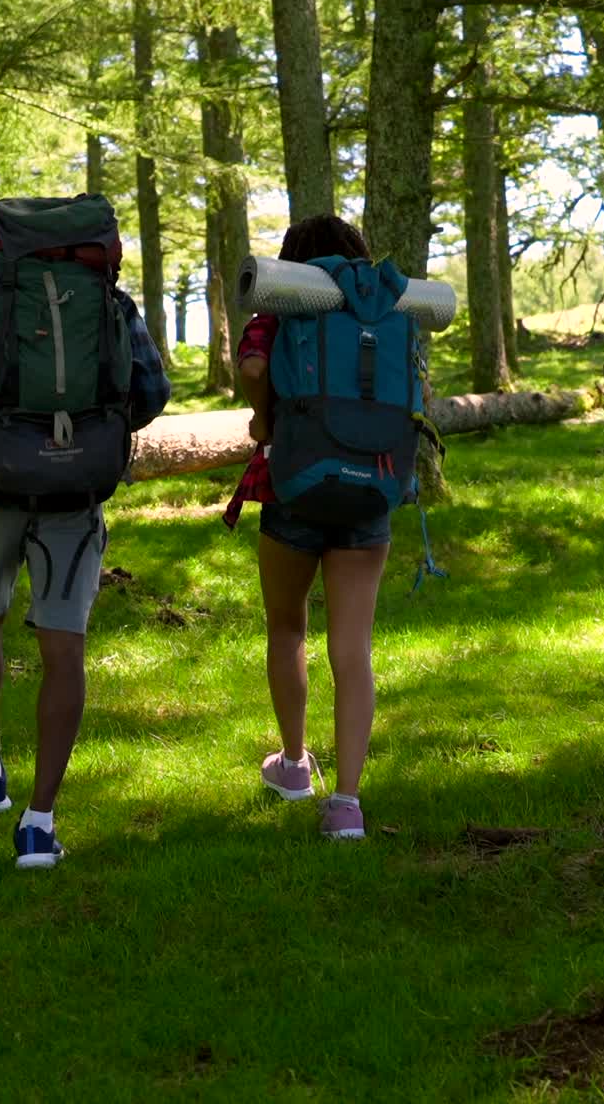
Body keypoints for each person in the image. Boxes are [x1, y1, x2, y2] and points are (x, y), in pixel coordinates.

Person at [0, 215, 170, 868]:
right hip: (78, 487)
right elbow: (151, 391)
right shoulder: (110, 301)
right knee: (63, 645)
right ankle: (39, 824)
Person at [225, 214, 398, 840]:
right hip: (371, 488)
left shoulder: (281, 304)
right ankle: (346, 804)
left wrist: (265, 419)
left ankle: (294, 764)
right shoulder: (381, 307)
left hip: (294, 487)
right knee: (352, 652)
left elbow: (250, 369)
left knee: (287, 628)